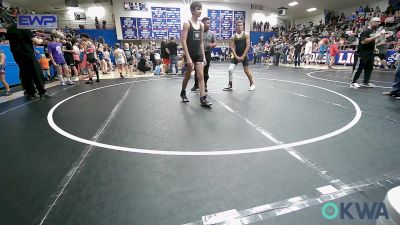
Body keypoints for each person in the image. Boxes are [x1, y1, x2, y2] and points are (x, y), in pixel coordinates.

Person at [6, 22, 52, 99]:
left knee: (25, 74)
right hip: (28, 53)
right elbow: (36, 41)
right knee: (36, 73)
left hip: (17, 54)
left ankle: (30, 93)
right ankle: (42, 92)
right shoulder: (24, 27)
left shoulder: (10, 28)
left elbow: (18, 41)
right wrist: (40, 40)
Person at [180, 1, 212, 106]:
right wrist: (188, 57)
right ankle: (183, 92)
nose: (200, 11)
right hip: (190, 54)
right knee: (188, 76)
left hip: (198, 54)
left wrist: (204, 57)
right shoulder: (187, 23)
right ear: (193, 11)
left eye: (201, 9)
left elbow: (201, 42)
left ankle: (203, 98)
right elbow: (183, 41)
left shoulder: (202, 25)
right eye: (198, 9)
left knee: (201, 76)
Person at [350, 17, 385, 88]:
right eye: (377, 22)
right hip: (362, 53)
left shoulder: (372, 31)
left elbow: (372, 41)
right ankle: (353, 82)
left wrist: (375, 47)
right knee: (358, 68)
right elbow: (363, 41)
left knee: (369, 67)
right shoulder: (365, 31)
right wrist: (376, 36)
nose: (379, 23)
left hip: (370, 53)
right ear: (372, 22)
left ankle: (366, 82)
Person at [223, 20, 255, 91]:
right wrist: (236, 56)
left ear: (243, 26)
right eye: (238, 25)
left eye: (241, 25)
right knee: (230, 69)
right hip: (236, 55)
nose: (239, 26)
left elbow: (248, 46)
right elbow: (232, 47)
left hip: (244, 55)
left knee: (246, 71)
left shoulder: (246, 35)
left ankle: (252, 84)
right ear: (236, 26)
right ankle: (230, 84)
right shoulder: (233, 36)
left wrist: (243, 56)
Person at [191, 16, 216, 92]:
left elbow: (215, 42)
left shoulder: (211, 33)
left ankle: (204, 85)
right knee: (197, 70)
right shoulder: (198, 33)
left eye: (209, 23)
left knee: (206, 70)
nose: (209, 24)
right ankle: (196, 85)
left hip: (207, 53)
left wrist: (212, 45)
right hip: (198, 53)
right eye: (207, 23)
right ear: (203, 24)